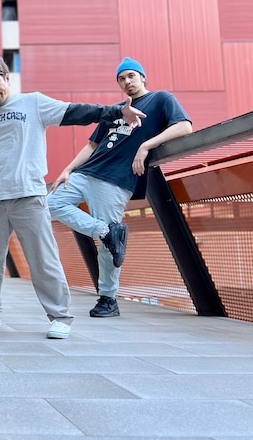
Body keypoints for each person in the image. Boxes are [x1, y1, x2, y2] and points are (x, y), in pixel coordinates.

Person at [0, 57, 145, 339]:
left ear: (7, 78)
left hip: (28, 195)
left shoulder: (33, 103)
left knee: (43, 258)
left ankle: (60, 316)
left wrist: (114, 112)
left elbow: (75, 112)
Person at [47, 57, 192, 318]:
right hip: (86, 172)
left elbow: (185, 126)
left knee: (107, 247)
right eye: (121, 79)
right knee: (49, 203)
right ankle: (104, 231)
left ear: (142, 77)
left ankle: (108, 299)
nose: (127, 82)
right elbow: (92, 145)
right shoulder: (116, 109)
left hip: (115, 180)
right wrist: (67, 169)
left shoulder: (160, 99)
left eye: (131, 76)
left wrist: (145, 145)